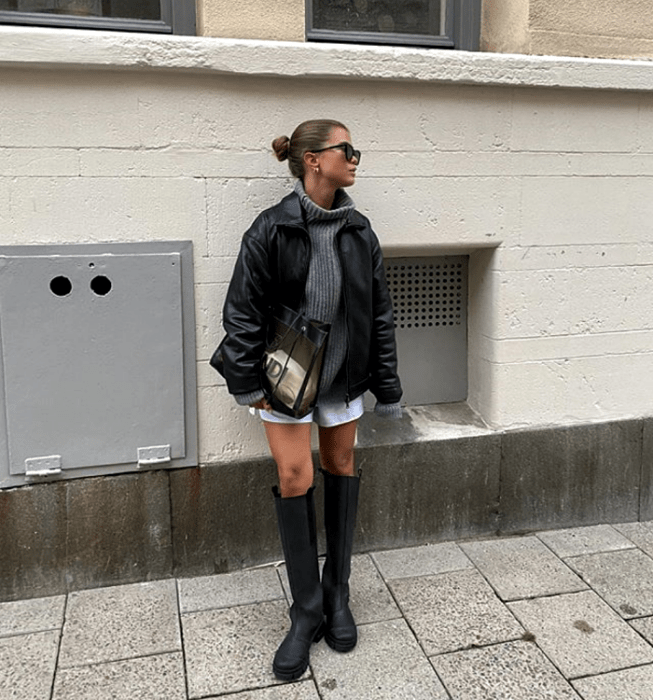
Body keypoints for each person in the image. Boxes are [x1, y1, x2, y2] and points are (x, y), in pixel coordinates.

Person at [216, 119, 402, 680]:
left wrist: (387, 385)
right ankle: (305, 611)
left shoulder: (358, 230)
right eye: (347, 149)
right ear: (314, 161)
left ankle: (337, 595)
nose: (356, 158)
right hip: (286, 382)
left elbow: (379, 314)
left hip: (342, 377)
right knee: (296, 477)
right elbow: (243, 310)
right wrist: (246, 382)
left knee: (342, 465)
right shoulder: (272, 228)